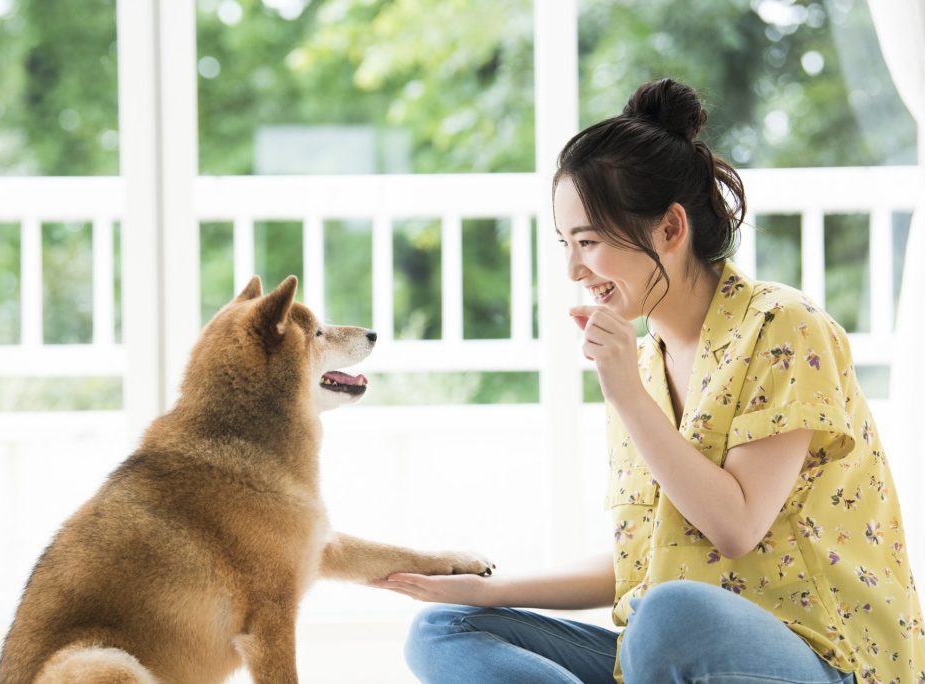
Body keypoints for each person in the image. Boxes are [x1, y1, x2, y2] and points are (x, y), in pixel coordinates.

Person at [370, 78, 925, 684]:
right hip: (663, 655)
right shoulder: (645, 359)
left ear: (670, 229)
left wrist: (626, 394)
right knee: (445, 629)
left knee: (666, 615)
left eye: (588, 241)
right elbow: (647, 557)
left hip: (823, 657)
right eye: (565, 243)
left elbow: (734, 528)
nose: (574, 269)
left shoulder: (781, 326)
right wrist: (485, 590)